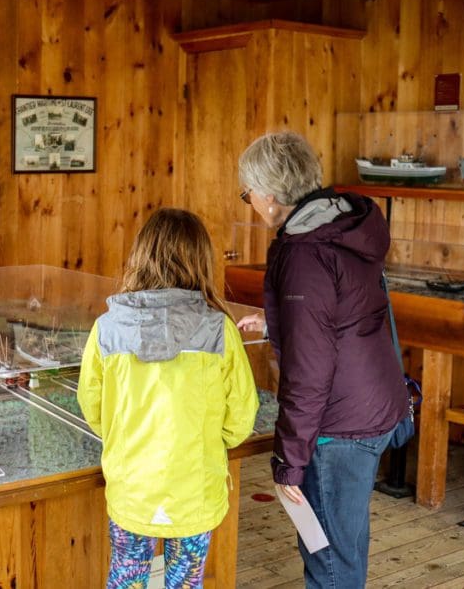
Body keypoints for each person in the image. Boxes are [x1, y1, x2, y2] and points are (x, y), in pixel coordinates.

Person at [235, 131, 408, 588]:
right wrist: (278, 319)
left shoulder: (303, 252)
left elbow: (309, 370)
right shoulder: (342, 223)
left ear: (269, 195)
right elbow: (342, 314)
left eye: (247, 192)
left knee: (329, 560)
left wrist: (289, 460)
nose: (249, 200)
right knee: (344, 546)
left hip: (340, 425)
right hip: (373, 404)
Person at [77, 208, 259, 588]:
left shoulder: (107, 328)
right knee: (185, 581)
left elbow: (92, 405)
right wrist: (209, 444)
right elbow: (241, 415)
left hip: (132, 486)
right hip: (195, 487)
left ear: (141, 256)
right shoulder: (219, 330)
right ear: (200, 261)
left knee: (127, 575)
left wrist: (121, 437)